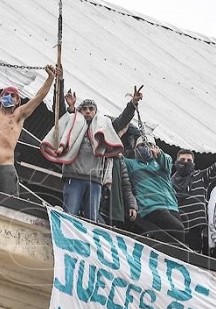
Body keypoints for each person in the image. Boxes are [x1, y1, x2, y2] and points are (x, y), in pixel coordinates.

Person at [0, 55, 57, 196]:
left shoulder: (18, 115)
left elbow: (38, 97)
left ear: (18, 101)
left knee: (11, 202)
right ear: (0, 98)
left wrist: (50, 78)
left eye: (13, 95)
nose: (9, 97)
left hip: (6, 166)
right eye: (6, 94)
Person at [41, 91, 142, 221]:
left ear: (96, 112)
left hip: (95, 181)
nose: (87, 111)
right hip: (74, 177)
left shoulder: (104, 127)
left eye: (91, 109)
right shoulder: (71, 124)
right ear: (80, 111)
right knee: (69, 215)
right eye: (84, 109)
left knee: (91, 221)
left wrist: (133, 103)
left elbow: (122, 121)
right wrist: (60, 82)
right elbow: (59, 113)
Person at [172, 137, 216, 254]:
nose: (186, 162)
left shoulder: (200, 176)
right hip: (177, 223)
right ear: (176, 162)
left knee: (194, 255)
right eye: (183, 160)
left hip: (195, 224)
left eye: (189, 160)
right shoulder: (170, 181)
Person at [123, 135, 185, 246]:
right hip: (152, 206)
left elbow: (167, 162)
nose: (146, 148)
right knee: (178, 229)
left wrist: (159, 155)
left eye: (149, 145)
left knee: (176, 238)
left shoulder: (163, 161)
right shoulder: (132, 164)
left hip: (172, 206)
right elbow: (118, 158)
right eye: (142, 145)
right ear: (136, 149)